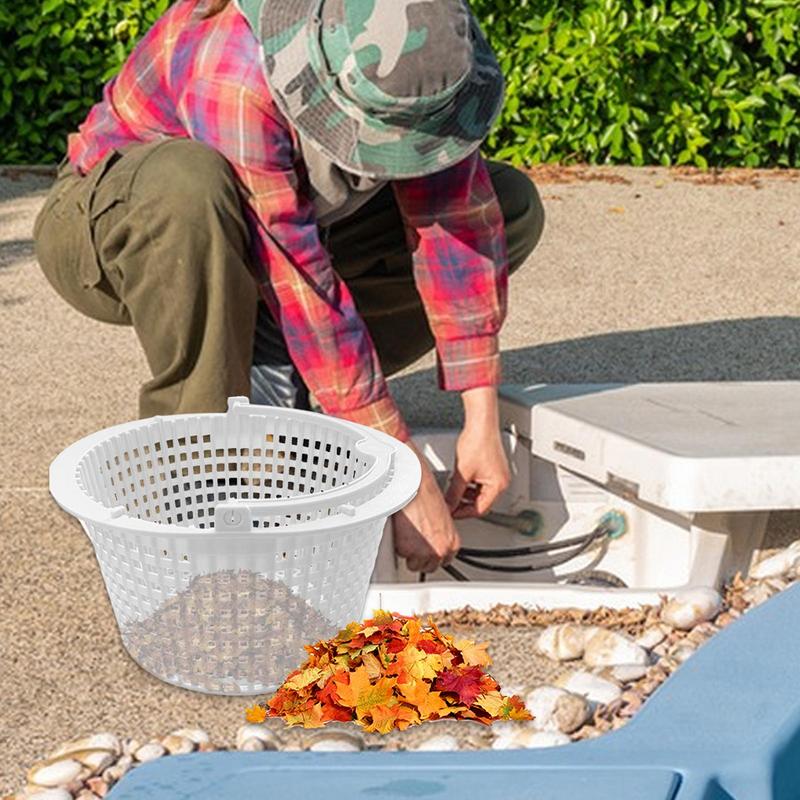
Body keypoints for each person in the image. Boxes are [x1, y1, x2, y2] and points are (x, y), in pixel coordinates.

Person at [34, 0, 545, 574]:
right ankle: (190, 478)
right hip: (121, 225)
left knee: (511, 204)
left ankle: (301, 390)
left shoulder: (430, 44)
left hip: (284, 234)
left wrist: (482, 419)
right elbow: (299, 280)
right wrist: (399, 470)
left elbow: (454, 223)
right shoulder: (235, 71)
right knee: (189, 186)